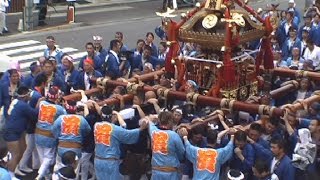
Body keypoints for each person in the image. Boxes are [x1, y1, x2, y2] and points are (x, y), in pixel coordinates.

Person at [93, 105, 148, 180]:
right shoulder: (115, 129)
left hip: (97, 160)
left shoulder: (96, 126)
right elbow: (128, 134)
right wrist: (141, 129)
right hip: (110, 162)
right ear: (112, 116)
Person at [3, 86, 38, 178]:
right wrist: (38, 103)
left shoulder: (16, 100)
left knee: (23, 148)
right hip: (11, 132)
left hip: (18, 130)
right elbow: (34, 115)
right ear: (25, 95)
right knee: (16, 154)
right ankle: (10, 175)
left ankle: (16, 167)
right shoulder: (23, 105)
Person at [35, 86, 67, 180]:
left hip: (38, 133)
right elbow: (65, 119)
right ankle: (40, 175)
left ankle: (46, 176)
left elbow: (36, 109)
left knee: (42, 157)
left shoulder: (42, 103)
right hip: (49, 136)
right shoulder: (59, 109)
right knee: (48, 157)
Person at [148, 111, 185, 180]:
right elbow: (181, 153)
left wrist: (155, 118)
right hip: (171, 173)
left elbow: (148, 121)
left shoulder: (153, 132)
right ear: (170, 121)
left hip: (156, 172)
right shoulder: (174, 135)